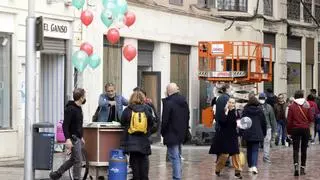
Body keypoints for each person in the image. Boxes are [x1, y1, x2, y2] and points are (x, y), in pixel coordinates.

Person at [49, 88, 87, 180]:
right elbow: (65, 126)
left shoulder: (78, 108)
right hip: (73, 138)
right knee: (78, 160)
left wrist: (81, 136)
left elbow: (78, 124)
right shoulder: (70, 109)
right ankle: (77, 178)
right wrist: (68, 139)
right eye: (84, 96)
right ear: (81, 98)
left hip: (77, 137)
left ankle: (57, 174)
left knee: (73, 159)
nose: (85, 98)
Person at [120, 91, 154, 180]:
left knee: (134, 161)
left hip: (131, 141)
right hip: (144, 141)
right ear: (143, 99)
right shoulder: (146, 109)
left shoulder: (128, 110)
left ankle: (136, 178)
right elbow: (151, 123)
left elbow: (122, 121)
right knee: (144, 161)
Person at [161, 83, 190, 180]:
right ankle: (178, 176)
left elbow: (165, 120)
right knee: (177, 156)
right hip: (181, 133)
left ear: (169, 91)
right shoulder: (184, 101)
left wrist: (162, 132)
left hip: (171, 133)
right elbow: (187, 117)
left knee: (175, 157)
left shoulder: (168, 103)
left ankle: (177, 177)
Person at [209, 98, 242, 179]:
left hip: (233, 135)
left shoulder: (236, 112)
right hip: (225, 136)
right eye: (230, 102)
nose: (231, 104)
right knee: (225, 154)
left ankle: (237, 172)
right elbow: (222, 121)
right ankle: (218, 168)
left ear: (235, 104)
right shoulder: (223, 112)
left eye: (233, 103)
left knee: (235, 154)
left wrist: (239, 125)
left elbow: (238, 123)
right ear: (227, 103)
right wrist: (226, 111)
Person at [287, 90, 314, 176]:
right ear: (303, 96)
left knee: (295, 149)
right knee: (304, 149)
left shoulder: (291, 106)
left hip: (295, 129)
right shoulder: (307, 105)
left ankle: (295, 166)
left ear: (295, 97)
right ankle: (302, 168)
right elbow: (311, 118)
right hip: (305, 129)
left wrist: (288, 131)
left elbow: (289, 121)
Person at [241, 96, 266, 175]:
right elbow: (263, 123)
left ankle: (250, 166)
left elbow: (242, 122)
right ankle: (254, 166)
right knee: (255, 150)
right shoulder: (260, 110)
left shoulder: (245, 110)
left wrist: (242, 132)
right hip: (257, 133)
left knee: (249, 150)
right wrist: (264, 133)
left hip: (248, 132)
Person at [258, 93, 277, 163]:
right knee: (258, 143)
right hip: (258, 127)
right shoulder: (256, 106)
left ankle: (266, 157)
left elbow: (272, 119)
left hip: (267, 127)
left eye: (263, 98)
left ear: (265, 98)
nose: (261, 100)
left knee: (266, 142)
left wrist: (274, 130)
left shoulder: (269, 107)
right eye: (260, 98)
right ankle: (256, 158)